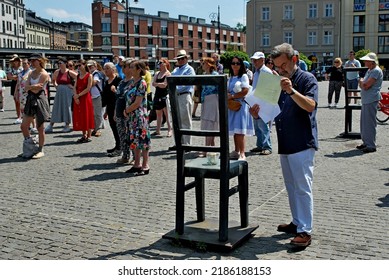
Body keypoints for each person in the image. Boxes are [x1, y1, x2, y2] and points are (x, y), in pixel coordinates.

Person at [251, 43, 318, 247]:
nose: (280, 70)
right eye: (277, 66)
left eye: (283, 65)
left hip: (302, 141)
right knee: (291, 186)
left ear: (294, 60)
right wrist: (258, 113)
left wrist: (291, 91)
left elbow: (310, 105)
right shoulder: (279, 81)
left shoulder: (307, 79)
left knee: (302, 187)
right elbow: (273, 110)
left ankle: (305, 231)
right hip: (285, 141)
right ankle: (297, 222)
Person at [123, 60, 151, 176]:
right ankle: (137, 164)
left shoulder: (142, 83)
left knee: (143, 141)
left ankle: (145, 165)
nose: (130, 69)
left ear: (139, 70)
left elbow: (138, 102)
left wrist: (126, 110)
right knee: (134, 140)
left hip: (139, 116)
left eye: (132, 67)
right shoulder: (131, 82)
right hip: (132, 116)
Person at [20, 53, 51, 159]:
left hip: (40, 99)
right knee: (24, 126)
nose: (32, 62)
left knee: (40, 127)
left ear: (40, 61)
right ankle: (30, 147)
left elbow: (38, 89)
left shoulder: (44, 74)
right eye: (31, 61)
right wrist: (33, 86)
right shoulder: (31, 72)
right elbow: (25, 87)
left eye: (34, 60)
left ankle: (40, 149)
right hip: (30, 99)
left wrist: (31, 87)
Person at [227, 56, 254, 161]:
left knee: (240, 130)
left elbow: (245, 91)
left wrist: (233, 96)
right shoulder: (231, 77)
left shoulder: (244, 76)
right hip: (232, 105)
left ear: (241, 65)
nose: (235, 65)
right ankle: (236, 150)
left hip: (241, 105)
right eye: (233, 63)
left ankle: (242, 153)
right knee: (235, 129)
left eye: (237, 63)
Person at [169, 50, 196, 150]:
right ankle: (178, 143)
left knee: (185, 120)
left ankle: (187, 144)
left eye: (182, 58)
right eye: (178, 59)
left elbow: (188, 83)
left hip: (184, 95)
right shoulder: (175, 70)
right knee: (176, 121)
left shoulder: (190, 69)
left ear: (186, 59)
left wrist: (174, 88)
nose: (180, 60)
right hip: (175, 96)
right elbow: (170, 81)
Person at [356, 52, 383, 154]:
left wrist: (361, 81)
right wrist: (362, 83)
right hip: (367, 99)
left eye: (366, 61)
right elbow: (363, 85)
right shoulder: (370, 70)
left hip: (371, 98)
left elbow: (366, 85)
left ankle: (371, 144)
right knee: (364, 122)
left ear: (371, 62)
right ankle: (366, 142)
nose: (364, 62)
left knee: (369, 123)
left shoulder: (375, 71)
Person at [45, 56, 78, 133]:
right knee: (56, 107)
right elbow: (53, 80)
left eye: (61, 63)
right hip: (59, 91)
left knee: (67, 107)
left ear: (65, 63)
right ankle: (51, 125)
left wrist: (73, 87)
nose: (59, 64)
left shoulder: (69, 72)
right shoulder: (57, 72)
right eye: (58, 63)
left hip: (68, 92)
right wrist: (56, 86)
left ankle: (67, 125)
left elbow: (78, 78)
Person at [250, 51, 273, 156]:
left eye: (256, 60)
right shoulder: (256, 72)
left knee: (263, 126)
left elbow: (269, 89)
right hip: (255, 102)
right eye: (253, 60)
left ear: (262, 60)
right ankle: (260, 145)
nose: (254, 62)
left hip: (263, 103)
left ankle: (267, 146)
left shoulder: (266, 71)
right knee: (257, 126)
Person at [115, 58, 134, 165]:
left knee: (131, 136)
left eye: (124, 66)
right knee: (122, 135)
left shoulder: (134, 82)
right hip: (119, 112)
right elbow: (117, 98)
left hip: (129, 113)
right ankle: (125, 155)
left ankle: (135, 156)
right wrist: (114, 112)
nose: (122, 68)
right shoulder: (122, 82)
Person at [72, 59, 95, 143]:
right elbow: (75, 86)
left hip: (85, 98)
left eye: (79, 65)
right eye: (77, 66)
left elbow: (88, 88)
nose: (78, 67)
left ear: (84, 65)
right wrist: (75, 96)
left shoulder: (89, 75)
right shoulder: (78, 76)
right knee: (80, 115)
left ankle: (88, 135)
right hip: (78, 97)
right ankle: (83, 134)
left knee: (87, 115)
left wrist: (78, 95)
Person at [102, 62, 122, 156]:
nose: (105, 70)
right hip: (109, 107)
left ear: (113, 69)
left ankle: (120, 147)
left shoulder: (118, 80)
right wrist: (106, 111)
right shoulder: (106, 81)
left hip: (117, 107)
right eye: (104, 68)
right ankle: (117, 144)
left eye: (107, 68)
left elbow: (120, 95)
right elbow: (106, 97)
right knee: (113, 127)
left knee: (118, 127)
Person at [200, 57, 219, 151]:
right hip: (206, 100)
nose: (202, 65)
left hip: (212, 99)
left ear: (208, 64)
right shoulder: (204, 74)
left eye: (203, 63)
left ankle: (206, 149)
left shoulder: (215, 74)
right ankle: (212, 149)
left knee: (210, 124)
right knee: (208, 123)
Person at [151, 58, 172, 137]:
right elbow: (153, 83)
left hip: (165, 95)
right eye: (159, 63)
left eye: (161, 63)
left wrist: (157, 84)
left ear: (165, 63)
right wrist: (159, 84)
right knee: (158, 114)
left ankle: (170, 130)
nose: (159, 64)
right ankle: (158, 130)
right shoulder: (157, 73)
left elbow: (165, 85)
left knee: (167, 114)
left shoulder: (168, 74)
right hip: (157, 95)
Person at [87, 60, 104, 137]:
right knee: (93, 114)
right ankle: (94, 128)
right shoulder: (90, 74)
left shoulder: (96, 73)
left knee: (97, 113)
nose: (90, 68)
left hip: (97, 96)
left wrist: (87, 82)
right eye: (88, 66)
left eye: (91, 66)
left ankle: (98, 129)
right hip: (91, 96)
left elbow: (94, 83)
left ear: (95, 66)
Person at [7, 54, 23, 123]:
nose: (15, 62)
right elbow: (9, 77)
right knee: (16, 100)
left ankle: (22, 116)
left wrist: (14, 77)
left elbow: (22, 76)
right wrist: (15, 77)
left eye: (16, 60)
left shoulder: (21, 68)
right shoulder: (11, 68)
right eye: (14, 60)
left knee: (21, 101)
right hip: (14, 84)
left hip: (21, 84)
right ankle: (18, 116)